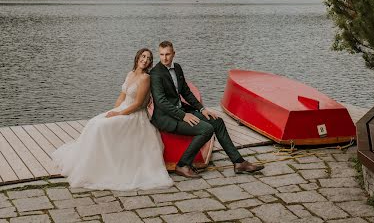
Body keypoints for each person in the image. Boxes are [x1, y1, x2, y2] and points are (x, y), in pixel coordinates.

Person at [52, 48, 172, 190]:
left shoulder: (145, 78)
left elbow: (138, 104)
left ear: (150, 63)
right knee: (94, 122)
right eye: (143, 56)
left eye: (148, 58)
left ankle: (101, 166)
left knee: (100, 127)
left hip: (134, 115)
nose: (145, 60)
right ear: (138, 57)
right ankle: (91, 162)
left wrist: (119, 115)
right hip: (122, 109)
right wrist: (114, 110)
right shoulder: (130, 74)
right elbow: (122, 96)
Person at [150, 40, 264, 179]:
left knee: (218, 122)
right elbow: (161, 102)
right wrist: (183, 116)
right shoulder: (156, 73)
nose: (165, 58)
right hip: (167, 118)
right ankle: (182, 165)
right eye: (161, 54)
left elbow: (186, 92)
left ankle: (239, 162)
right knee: (207, 129)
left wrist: (202, 109)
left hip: (182, 111)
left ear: (174, 53)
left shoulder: (177, 68)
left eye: (167, 54)